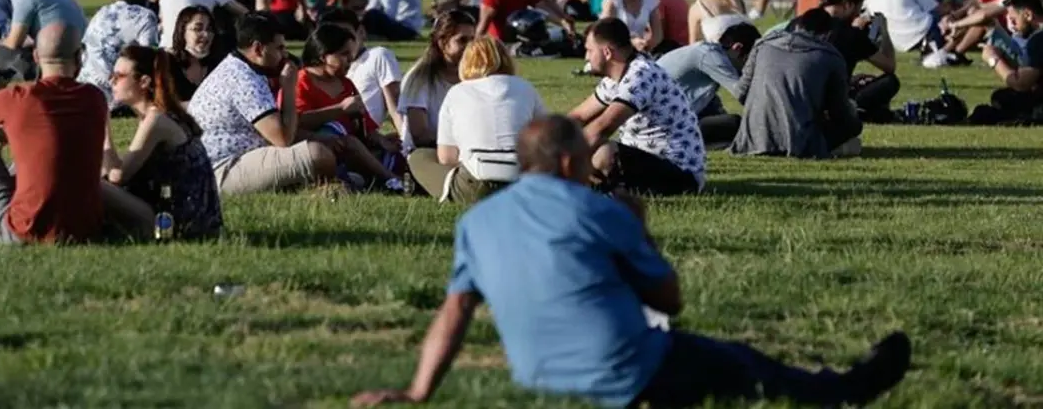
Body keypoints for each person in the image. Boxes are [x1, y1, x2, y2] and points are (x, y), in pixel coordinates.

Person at [351, 115, 912, 409]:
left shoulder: (476, 222)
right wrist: (640, 232)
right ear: (572, 160)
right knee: (741, 363)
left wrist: (418, 391)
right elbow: (668, 301)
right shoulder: (602, 210)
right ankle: (844, 390)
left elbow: (454, 313)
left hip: (541, 380)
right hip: (629, 374)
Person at [0, 24, 153, 244]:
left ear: (36, 57)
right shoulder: (94, 99)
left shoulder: (17, 97)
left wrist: (1, 133)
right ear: (79, 57)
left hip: (23, 231)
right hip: (85, 230)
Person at [187, 14, 336, 194]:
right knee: (318, 154)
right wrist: (289, 87)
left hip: (222, 162)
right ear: (258, 49)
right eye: (279, 48)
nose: (285, 55)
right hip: (221, 169)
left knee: (321, 146)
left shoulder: (239, 67)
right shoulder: (244, 80)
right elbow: (283, 139)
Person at [569, 18, 706, 194]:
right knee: (594, 149)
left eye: (589, 50)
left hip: (680, 173)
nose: (586, 57)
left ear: (607, 53)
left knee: (603, 151)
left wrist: (559, 161)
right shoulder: (614, 79)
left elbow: (603, 127)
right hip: (646, 161)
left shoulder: (640, 75)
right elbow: (578, 117)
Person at [102, 46, 223, 240]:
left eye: (119, 76)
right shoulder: (161, 114)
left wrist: (104, 131)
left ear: (144, 82)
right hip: (194, 219)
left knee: (91, 184)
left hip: (178, 225)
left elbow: (118, 177)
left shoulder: (156, 120)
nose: (111, 81)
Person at [407, 36, 546, 203]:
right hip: (521, 183)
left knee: (419, 156)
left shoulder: (457, 92)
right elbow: (547, 139)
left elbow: (446, 158)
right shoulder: (526, 88)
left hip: (474, 183)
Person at [731, 9, 863, 158]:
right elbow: (839, 113)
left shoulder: (762, 46)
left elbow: (740, 92)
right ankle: (828, 148)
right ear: (828, 33)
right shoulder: (830, 56)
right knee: (853, 124)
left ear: (797, 26)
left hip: (752, 139)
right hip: (798, 140)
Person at [292, 23, 405, 191]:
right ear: (324, 56)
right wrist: (340, 109)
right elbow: (297, 122)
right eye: (344, 55)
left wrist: (381, 139)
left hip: (351, 149)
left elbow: (365, 126)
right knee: (347, 140)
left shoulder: (346, 84)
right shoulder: (302, 81)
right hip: (320, 146)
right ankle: (392, 180)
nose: (350, 61)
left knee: (392, 147)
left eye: (351, 55)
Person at [804, 0, 900, 123]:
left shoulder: (803, 22)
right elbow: (889, 66)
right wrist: (884, 32)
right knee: (890, 82)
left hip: (801, 93)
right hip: (831, 101)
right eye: (858, 10)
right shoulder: (850, 34)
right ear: (848, 5)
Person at [658, 22, 761, 149]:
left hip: (661, 120)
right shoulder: (710, 56)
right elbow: (742, 93)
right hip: (664, 127)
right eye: (748, 61)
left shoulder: (705, 52)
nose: (747, 68)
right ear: (737, 48)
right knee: (735, 123)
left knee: (725, 123)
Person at [398, 10, 476, 153]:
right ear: (442, 42)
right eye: (462, 40)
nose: (470, 47)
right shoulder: (418, 79)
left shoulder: (478, 78)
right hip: (425, 157)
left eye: (473, 40)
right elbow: (420, 135)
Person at [319, 8, 403, 135]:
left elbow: (395, 107)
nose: (341, 42)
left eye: (346, 34)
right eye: (333, 37)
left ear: (362, 32)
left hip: (361, 135)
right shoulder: (325, 67)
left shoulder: (378, 56)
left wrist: (406, 142)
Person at [77, 0, 160, 103]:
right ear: (146, 0)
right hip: (115, 95)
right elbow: (149, 57)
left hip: (86, 89)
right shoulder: (144, 16)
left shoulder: (101, 12)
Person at [970, 0, 1043, 125]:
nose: (1013, 26)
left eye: (1014, 20)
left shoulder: (1038, 40)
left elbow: (1020, 84)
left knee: (994, 104)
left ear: (1028, 15)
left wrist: (993, 59)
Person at [167, 5, 224, 102]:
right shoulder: (168, 63)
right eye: (198, 29)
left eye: (209, 29)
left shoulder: (219, 65)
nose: (206, 35)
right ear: (182, 31)